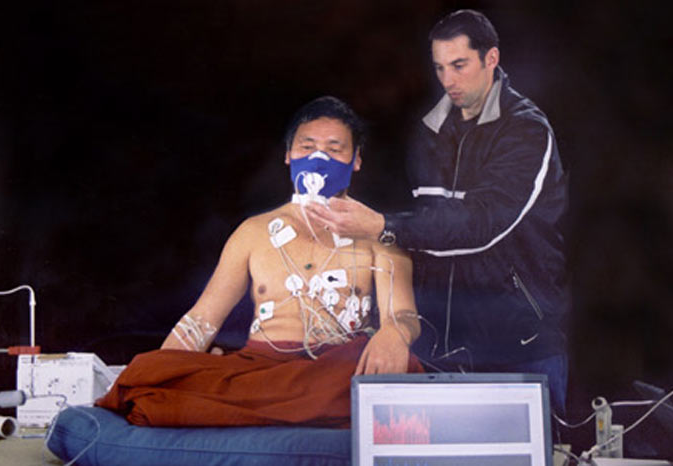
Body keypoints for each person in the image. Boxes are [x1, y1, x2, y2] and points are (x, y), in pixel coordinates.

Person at [97, 96, 422, 428]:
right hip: (261, 369)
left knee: (403, 367)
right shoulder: (253, 233)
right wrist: (169, 368)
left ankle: (275, 410)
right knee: (147, 373)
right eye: (307, 147)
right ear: (288, 155)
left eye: (334, 149)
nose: (319, 158)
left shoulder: (381, 234)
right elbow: (203, 318)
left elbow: (404, 314)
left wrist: (395, 333)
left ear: (356, 160)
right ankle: (293, 411)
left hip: (332, 368)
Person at [306, 10, 569, 414]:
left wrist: (380, 225)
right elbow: (416, 231)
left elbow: (481, 224)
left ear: (491, 59)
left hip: (520, 345)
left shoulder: (527, 131)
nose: (448, 81)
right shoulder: (428, 132)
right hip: (440, 348)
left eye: (459, 65)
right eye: (440, 67)